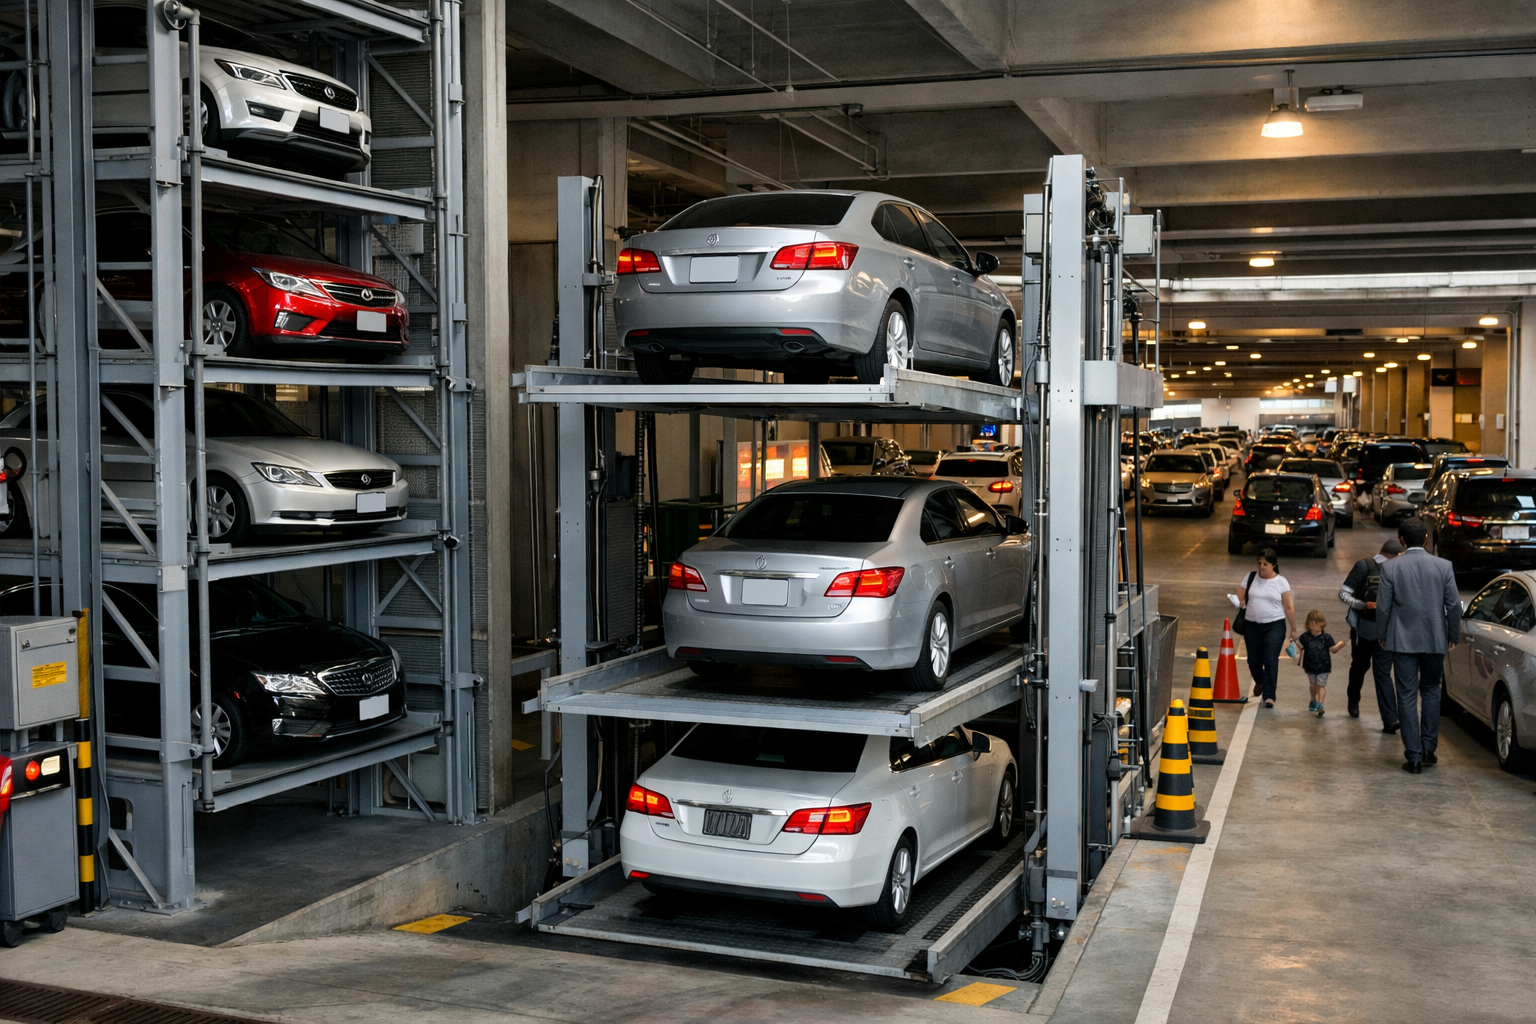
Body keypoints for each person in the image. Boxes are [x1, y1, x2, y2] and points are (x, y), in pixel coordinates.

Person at [1375, 518, 1461, 774]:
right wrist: (1452, 635)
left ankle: (1412, 756)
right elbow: (1454, 605)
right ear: (1425, 538)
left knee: (1407, 694)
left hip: (1402, 641)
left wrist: (1382, 634)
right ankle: (1428, 749)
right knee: (1432, 691)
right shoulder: (1444, 566)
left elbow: (1383, 606)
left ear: (1402, 540)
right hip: (1435, 639)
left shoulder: (1391, 568)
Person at [1339, 538, 1405, 729]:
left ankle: (1390, 719)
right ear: (1391, 556)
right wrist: (1364, 605)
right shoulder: (1364, 566)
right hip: (1363, 629)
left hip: (1384, 631)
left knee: (1382, 672)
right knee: (1360, 667)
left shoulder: (1397, 570)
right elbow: (1343, 593)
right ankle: (1353, 698)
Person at [1236, 548, 1296, 709]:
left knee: (1270, 658)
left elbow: (1288, 607)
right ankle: (1261, 681)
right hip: (1251, 625)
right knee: (1253, 660)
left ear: (1273, 565)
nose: (1261, 567)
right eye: (1259, 563)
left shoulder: (1281, 582)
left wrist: (1294, 628)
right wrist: (1237, 601)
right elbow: (1239, 595)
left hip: (1275, 625)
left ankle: (1269, 696)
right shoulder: (1250, 578)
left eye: (1265, 564)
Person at [1296, 610, 1348, 717]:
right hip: (1310, 665)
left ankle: (1320, 704)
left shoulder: (1326, 638)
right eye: (1311, 624)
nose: (1314, 627)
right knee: (1313, 685)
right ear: (1308, 625)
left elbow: (1333, 649)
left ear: (1322, 624)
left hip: (1323, 665)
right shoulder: (1305, 637)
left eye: (1317, 624)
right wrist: (1294, 640)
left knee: (1321, 685)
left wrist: (1340, 645)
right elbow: (1300, 647)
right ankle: (1313, 700)